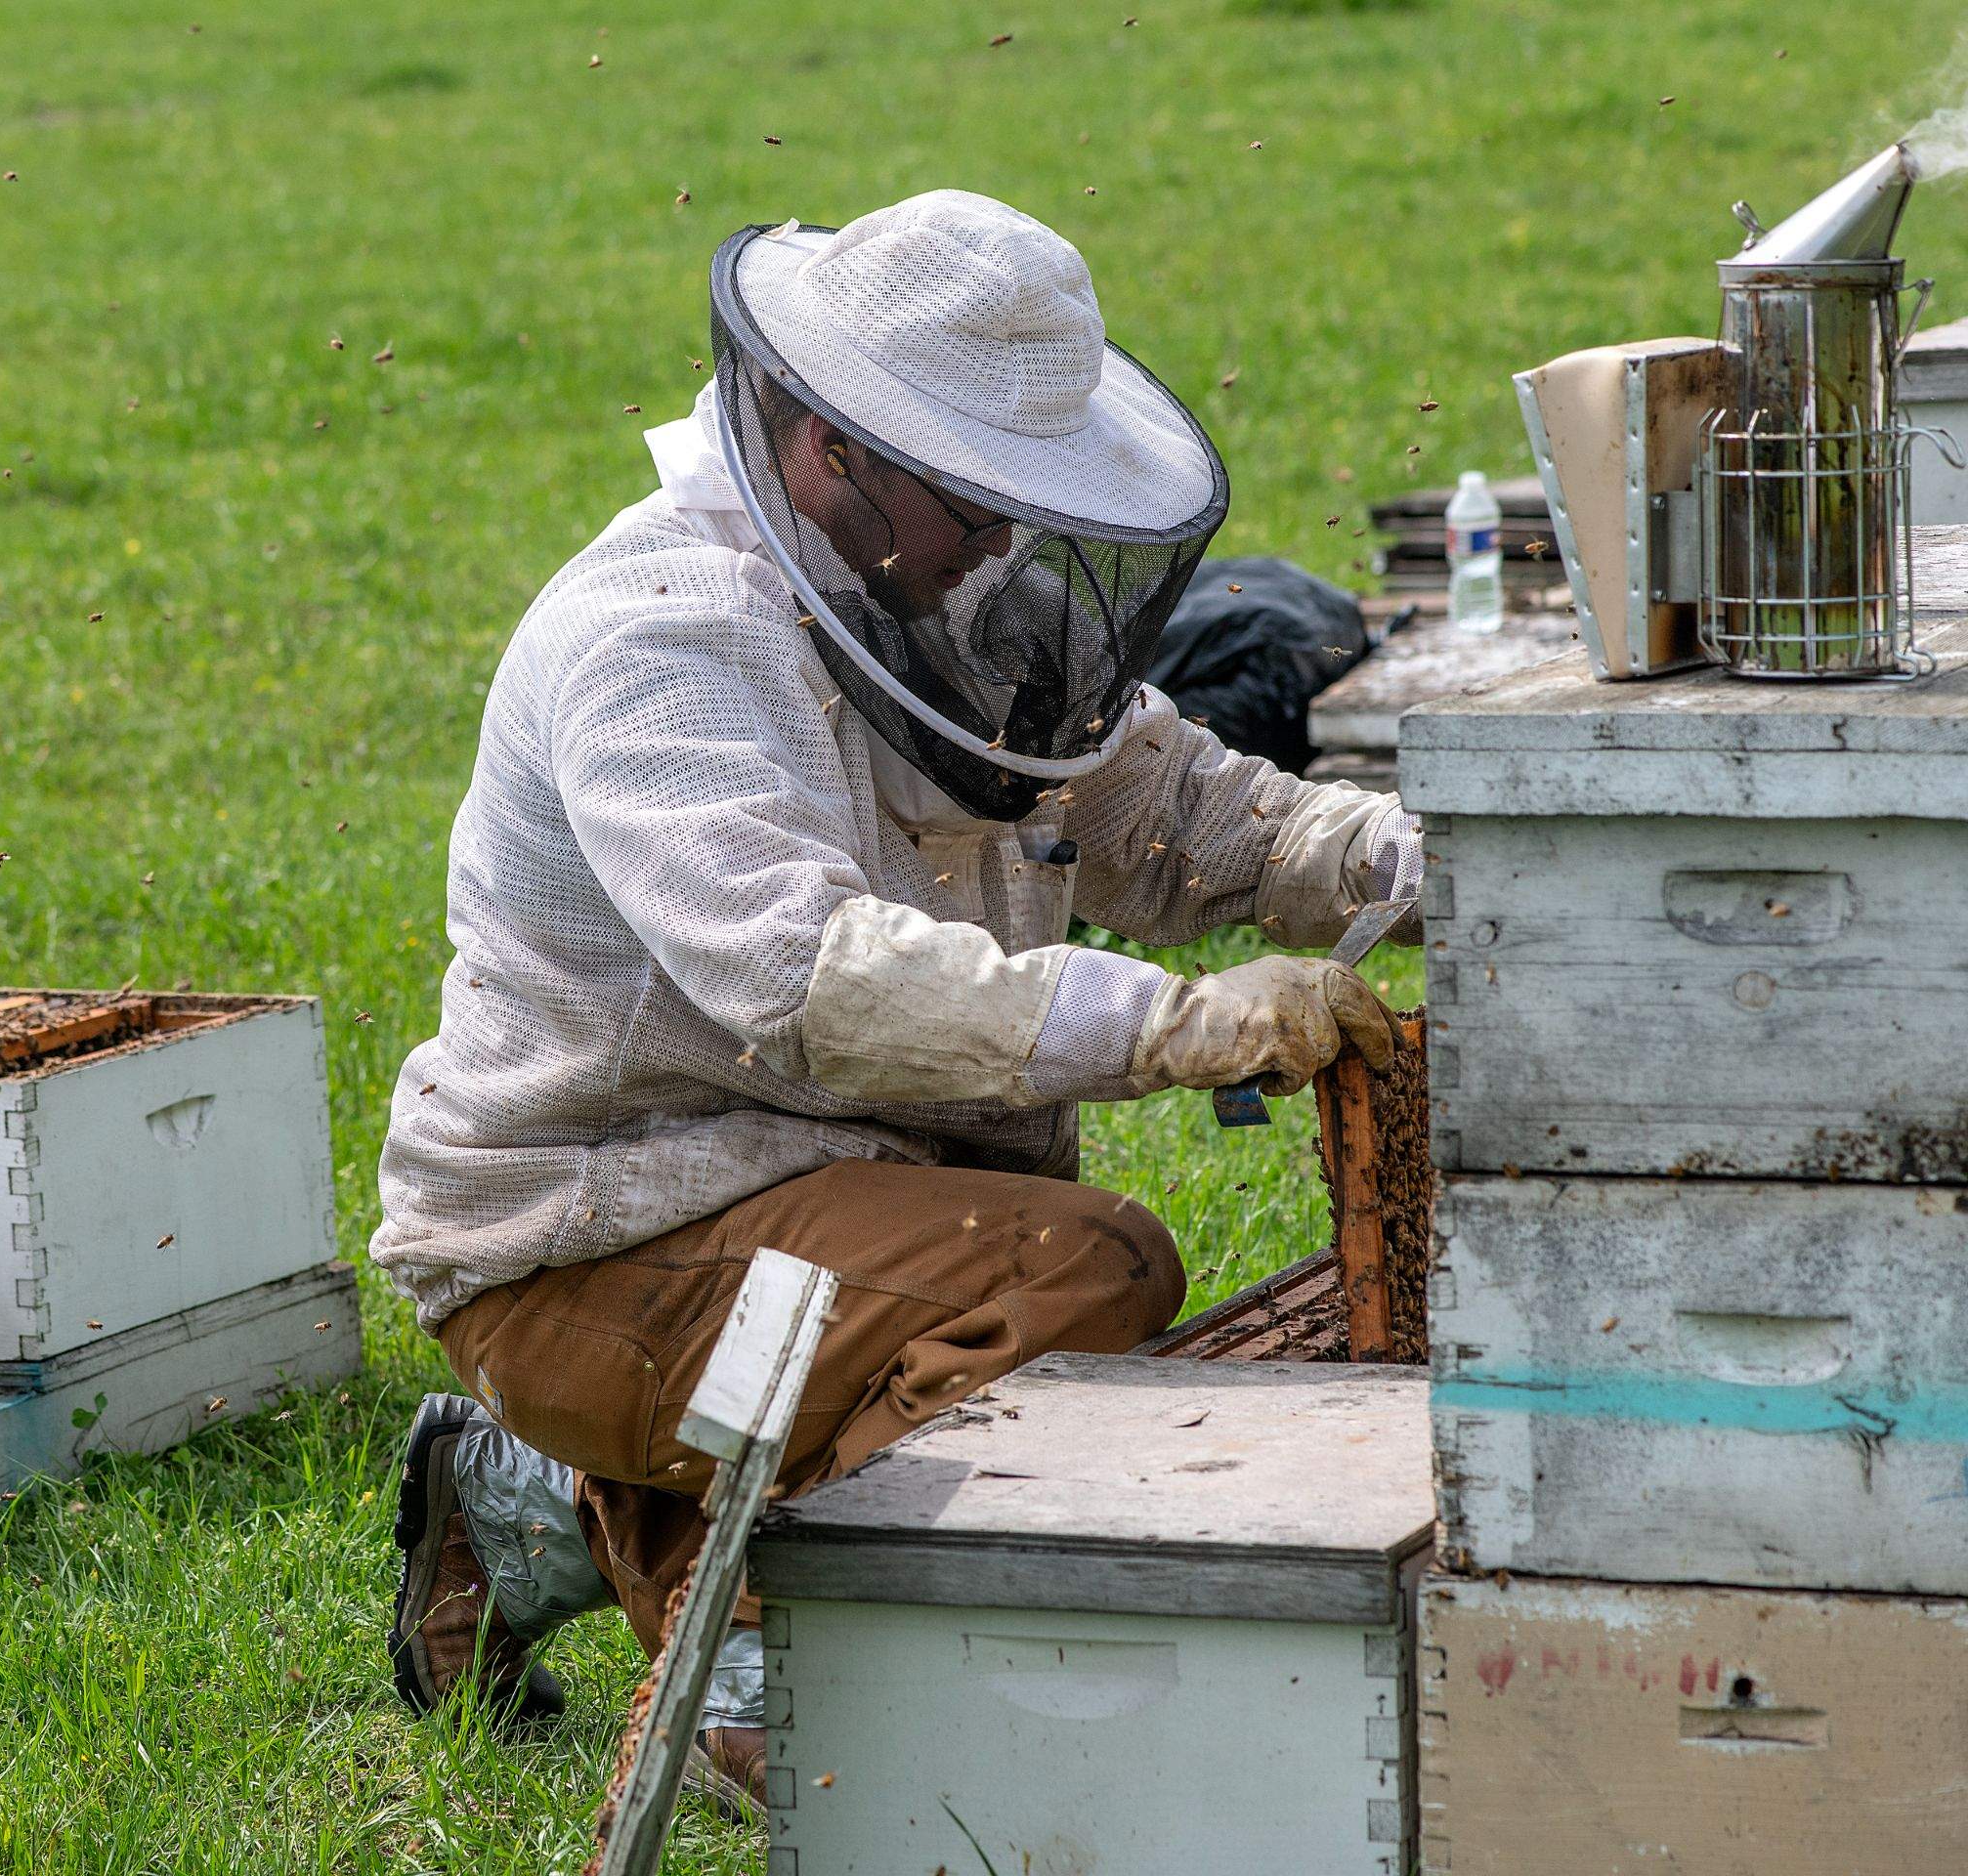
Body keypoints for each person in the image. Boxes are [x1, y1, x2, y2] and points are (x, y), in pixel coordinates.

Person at [373, 191, 1415, 1812]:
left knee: (1032, 1297)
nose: (1006, 539)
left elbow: (1172, 813)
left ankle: (521, 1508)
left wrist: (1393, 858)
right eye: (973, 495)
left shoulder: (940, 593)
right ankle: (757, 1664)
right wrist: (1177, 1024)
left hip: (834, 1212)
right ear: (828, 446)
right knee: (1082, 1278)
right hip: (592, 1232)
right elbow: (808, 984)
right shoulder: (660, 638)